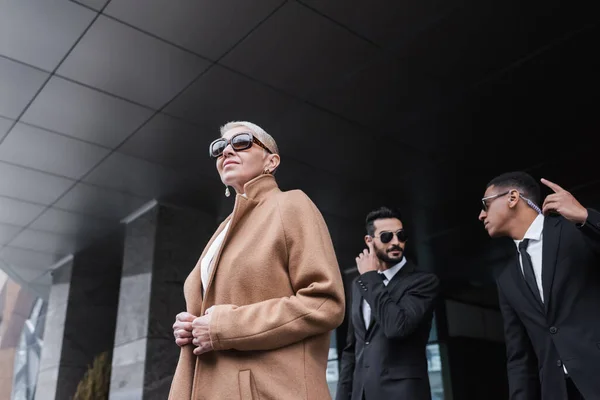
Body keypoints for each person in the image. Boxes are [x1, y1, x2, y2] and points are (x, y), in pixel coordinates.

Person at [168, 121, 345, 400]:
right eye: (220, 147)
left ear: (271, 161)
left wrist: (224, 327)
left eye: (240, 141)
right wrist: (192, 327)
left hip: (270, 390)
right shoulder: (225, 229)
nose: (226, 151)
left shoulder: (291, 205)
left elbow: (325, 303)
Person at [478, 171, 600, 400]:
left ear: (512, 198)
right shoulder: (506, 279)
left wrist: (585, 216)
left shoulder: (575, 229)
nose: (481, 215)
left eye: (485, 205)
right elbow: (519, 357)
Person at [337, 207, 440, 400]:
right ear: (369, 241)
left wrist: (369, 277)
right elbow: (353, 349)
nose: (396, 242)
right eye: (386, 237)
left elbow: (396, 327)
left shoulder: (423, 281)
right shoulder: (359, 286)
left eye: (401, 235)